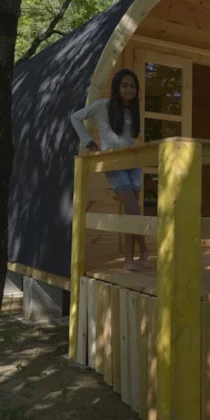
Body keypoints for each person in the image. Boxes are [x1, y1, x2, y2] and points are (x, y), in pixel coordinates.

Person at [70, 68, 149, 271]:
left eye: (132, 86)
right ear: (117, 87)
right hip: (114, 165)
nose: (129, 89)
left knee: (131, 214)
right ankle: (146, 250)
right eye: (124, 85)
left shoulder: (133, 109)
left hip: (133, 163)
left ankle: (130, 260)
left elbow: (129, 138)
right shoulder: (103, 106)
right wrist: (89, 143)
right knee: (134, 209)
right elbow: (75, 118)